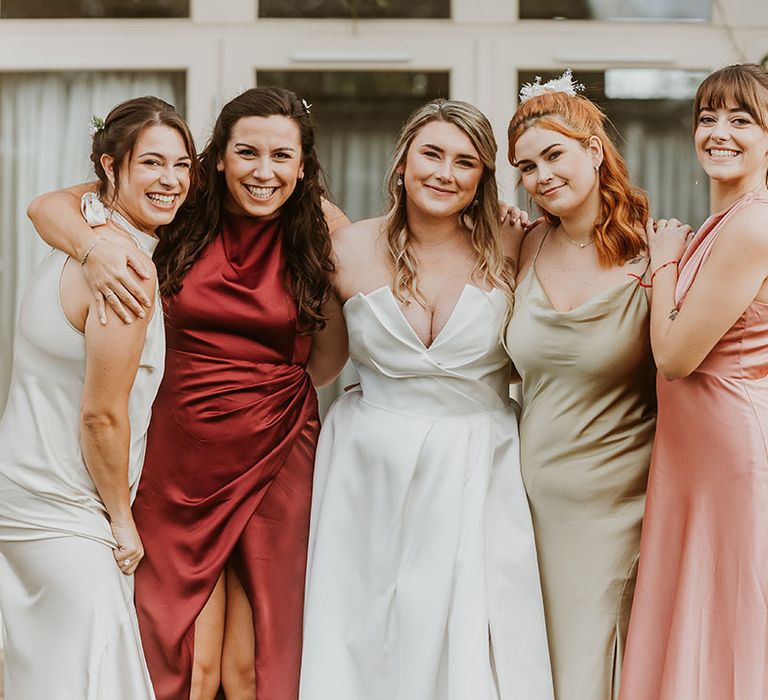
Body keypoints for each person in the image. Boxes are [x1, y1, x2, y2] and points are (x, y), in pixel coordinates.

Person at [26, 87, 349, 700]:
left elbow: (339, 344)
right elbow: (46, 207)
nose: (264, 171)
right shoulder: (178, 207)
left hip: (278, 450)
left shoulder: (319, 226)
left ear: (303, 164)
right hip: (176, 456)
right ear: (217, 158)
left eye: (282, 156)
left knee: (253, 665)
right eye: (246, 152)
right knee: (182, 656)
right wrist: (93, 249)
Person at [299, 98, 553, 700]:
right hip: (366, 464)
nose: (444, 173)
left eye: (465, 163)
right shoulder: (346, 248)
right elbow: (321, 365)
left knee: (479, 626)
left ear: (484, 178)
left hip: (479, 458)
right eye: (431, 154)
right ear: (402, 161)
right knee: (363, 628)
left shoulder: (519, 248)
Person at [0, 96, 196, 699]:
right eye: (152, 164)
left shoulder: (82, 232)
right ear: (111, 168)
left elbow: (46, 204)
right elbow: (102, 417)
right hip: (67, 508)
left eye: (182, 165)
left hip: (18, 496)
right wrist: (120, 519)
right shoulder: (123, 268)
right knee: (93, 679)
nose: (171, 181)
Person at [620, 63, 768, 700]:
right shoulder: (721, 222)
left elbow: (676, 355)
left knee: (728, 612)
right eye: (707, 117)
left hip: (728, 445)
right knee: (694, 605)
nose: (718, 132)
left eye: (741, 120)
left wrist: (664, 263)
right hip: (693, 447)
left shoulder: (753, 225)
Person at [505, 74, 656, 699]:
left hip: (620, 504)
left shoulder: (657, 252)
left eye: (553, 155)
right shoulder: (521, 243)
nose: (540, 176)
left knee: (594, 665)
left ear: (594, 150)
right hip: (523, 497)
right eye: (525, 166)